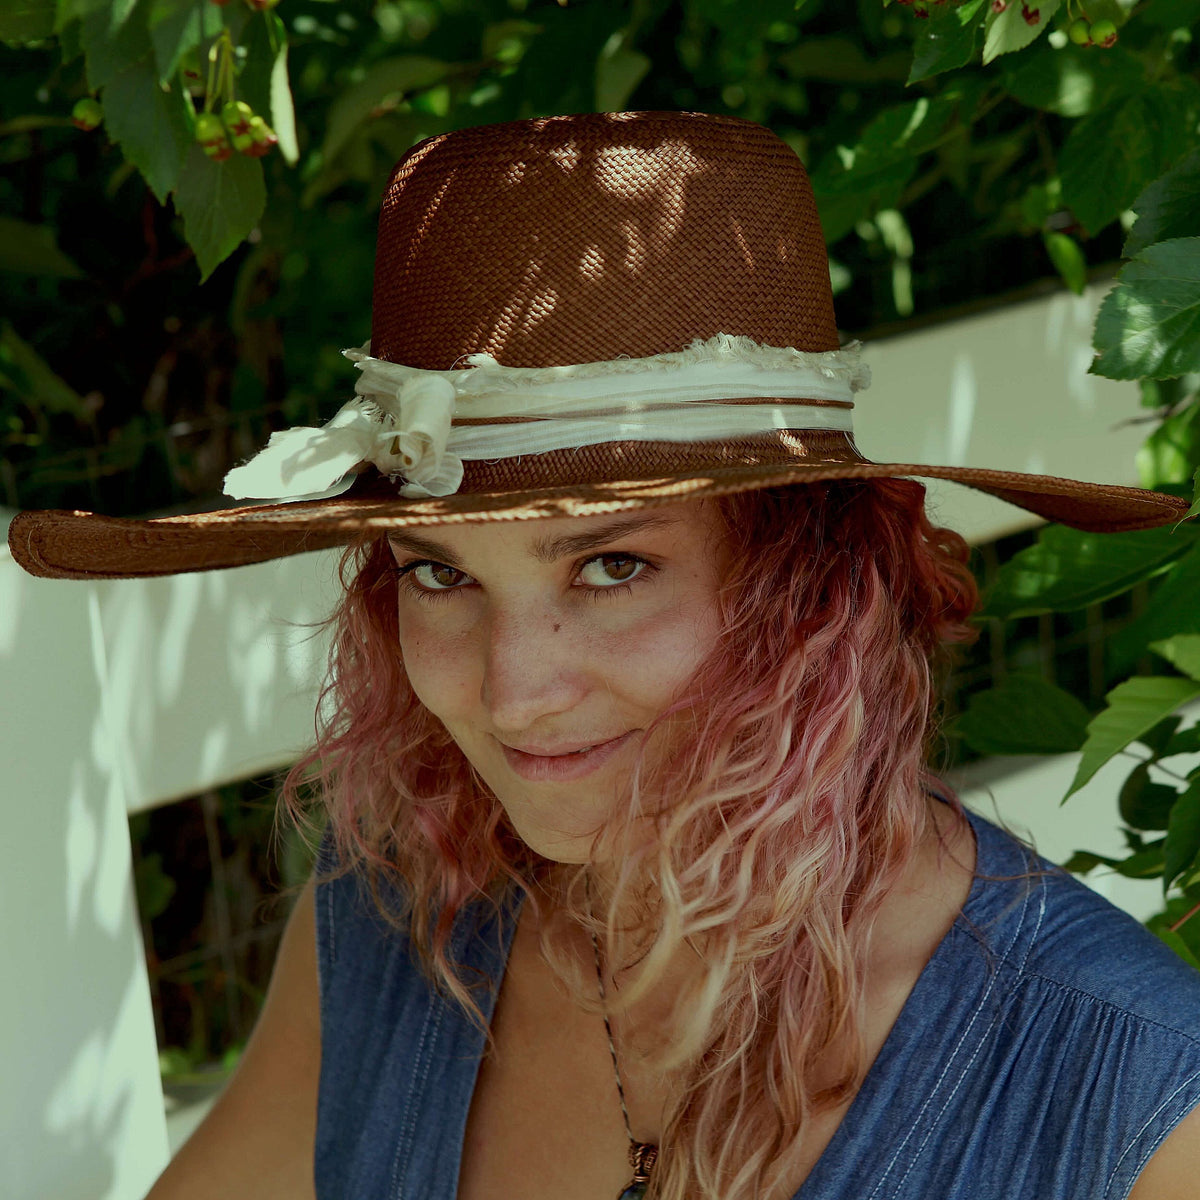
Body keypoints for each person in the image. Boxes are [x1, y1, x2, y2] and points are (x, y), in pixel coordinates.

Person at [10, 110, 1200, 1200]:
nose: (515, 691)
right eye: (440, 572)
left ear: (810, 584)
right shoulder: (390, 927)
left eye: (612, 567)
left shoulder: (1130, 1101)